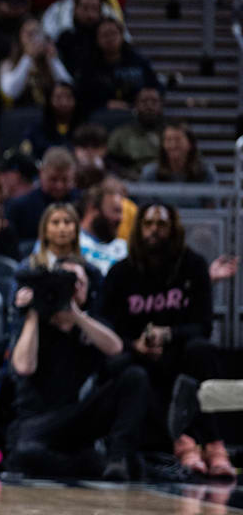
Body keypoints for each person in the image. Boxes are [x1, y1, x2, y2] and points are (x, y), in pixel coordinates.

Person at [99, 203, 234, 479]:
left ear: (173, 230)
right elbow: (104, 323)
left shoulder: (193, 265)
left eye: (161, 225)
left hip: (179, 351)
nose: (154, 231)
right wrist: (133, 344)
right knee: (123, 364)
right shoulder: (121, 272)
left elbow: (203, 325)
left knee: (202, 351)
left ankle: (213, 445)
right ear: (138, 229)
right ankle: (172, 446)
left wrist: (168, 334)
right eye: (148, 224)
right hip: (136, 353)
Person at [8, 255, 147, 480]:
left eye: (78, 282)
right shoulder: (34, 323)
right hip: (40, 421)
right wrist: (34, 311)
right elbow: (24, 366)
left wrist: (75, 314)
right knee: (25, 454)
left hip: (79, 415)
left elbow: (115, 348)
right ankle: (87, 466)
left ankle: (117, 457)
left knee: (134, 377)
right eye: (65, 281)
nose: (72, 288)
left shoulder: (91, 323)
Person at [75, 18, 159, 113]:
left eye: (113, 33)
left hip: (138, 115)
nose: (110, 38)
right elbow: (82, 96)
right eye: (105, 35)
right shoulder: (88, 65)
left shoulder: (139, 61)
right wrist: (104, 104)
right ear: (97, 39)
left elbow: (156, 87)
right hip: (100, 116)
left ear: (122, 36)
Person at [6, 146, 79, 242]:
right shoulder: (19, 207)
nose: (59, 186)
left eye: (65, 180)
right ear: (41, 173)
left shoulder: (81, 204)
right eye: (53, 179)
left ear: (73, 176)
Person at [138, 121, 218, 208]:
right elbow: (145, 210)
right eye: (168, 140)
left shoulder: (206, 172)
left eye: (178, 140)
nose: (173, 145)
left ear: (190, 144)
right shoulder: (150, 173)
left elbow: (212, 210)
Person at [0, 21, 72, 112]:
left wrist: (54, 60)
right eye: (29, 34)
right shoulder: (8, 63)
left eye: (36, 33)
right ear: (19, 37)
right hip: (20, 113)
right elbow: (10, 92)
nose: (33, 39)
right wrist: (27, 57)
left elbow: (68, 86)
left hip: (49, 113)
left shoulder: (50, 61)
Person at [107, 86, 163, 180]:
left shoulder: (170, 133)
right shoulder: (121, 133)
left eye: (154, 101)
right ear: (136, 105)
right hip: (131, 181)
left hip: (165, 182)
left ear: (161, 105)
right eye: (144, 101)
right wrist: (124, 173)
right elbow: (108, 159)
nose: (149, 106)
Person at [19, 81, 78, 159]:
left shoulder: (83, 127)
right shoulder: (35, 128)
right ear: (49, 100)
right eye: (58, 98)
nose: (64, 102)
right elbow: (25, 152)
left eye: (68, 97)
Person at [78, 184, 128, 276]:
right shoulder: (70, 242)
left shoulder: (124, 249)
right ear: (93, 209)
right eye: (116, 211)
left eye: (121, 212)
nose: (120, 218)